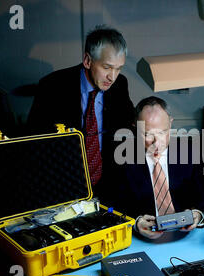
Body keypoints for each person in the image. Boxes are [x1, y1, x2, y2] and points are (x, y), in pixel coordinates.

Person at [27, 25, 135, 193]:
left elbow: (128, 124)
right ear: (87, 60)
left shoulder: (120, 84)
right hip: (62, 180)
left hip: (108, 180)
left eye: (118, 68)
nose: (112, 77)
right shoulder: (52, 86)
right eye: (106, 67)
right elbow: (35, 141)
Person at [110, 96, 204, 240]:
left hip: (186, 237)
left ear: (171, 123)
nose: (156, 142)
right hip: (142, 241)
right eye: (147, 134)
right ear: (135, 127)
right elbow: (112, 207)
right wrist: (135, 223)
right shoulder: (121, 160)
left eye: (162, 132)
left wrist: (198, 214)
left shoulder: (191, 153)